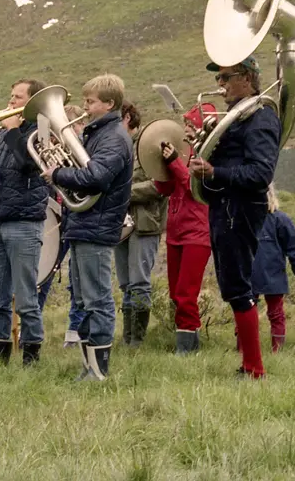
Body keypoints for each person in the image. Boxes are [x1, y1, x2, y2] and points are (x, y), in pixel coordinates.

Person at [189, 56, 280, 379]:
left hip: (239, 207)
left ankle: (255, 367)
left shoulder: (261, 117)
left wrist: (214, 170)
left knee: (238, 285)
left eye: (226, 78)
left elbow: (260, 173)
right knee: (233, 283)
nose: (220, 85)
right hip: (225, 205)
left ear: (247, 77)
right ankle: (248, 363)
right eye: (219, 79)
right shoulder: (239, 116)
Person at [46, 74, 132, 381]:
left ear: (109, 104)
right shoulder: (97, 134)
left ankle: (98, 371)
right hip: (84, 223)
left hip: (97, 225)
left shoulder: (113, 138)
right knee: (83, 299)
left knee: (97, 299)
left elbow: (96, 177)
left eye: (91, 102)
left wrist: (58, 174)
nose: (85, 106)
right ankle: (89, 368)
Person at [0, 78, 50, 366]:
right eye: (10, 96)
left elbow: (28, 163)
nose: (10, 103)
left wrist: (13, 131)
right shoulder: (4, 134)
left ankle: (31, 360)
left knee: (26, 299)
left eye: (17, 98)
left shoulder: (42, 133)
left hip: (24, 224)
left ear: (31, 103)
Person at [152, 103, 216, 354]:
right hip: (176, 232)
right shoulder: (184, 152)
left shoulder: (209, 155)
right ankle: (187, 342)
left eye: (191, 125)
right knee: (176, 293)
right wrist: (161, 166)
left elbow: (194, 188)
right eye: (186, 124)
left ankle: (187, 349)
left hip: (197, 232)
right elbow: (165, 189)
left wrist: (175, 164)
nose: (186, 129)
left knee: (186, 294)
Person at [115, 102, 169, 348]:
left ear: (127, 118)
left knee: (138, 282)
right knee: (126, 283)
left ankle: (137, 341)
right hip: (119, 223)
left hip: (145, 222)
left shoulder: (148, 144)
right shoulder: (114, 146)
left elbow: (159, 185)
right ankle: (128, 340)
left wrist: (122, 193)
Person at [43, 104, 87, 348]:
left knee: (77, 277)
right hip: (56, 218)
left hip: (76, 216)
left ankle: (75, 330)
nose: (79, 130)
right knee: (45, 272)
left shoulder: (81, 151)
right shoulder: (52, 149)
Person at [253, 184, 295, 352]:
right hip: (273, 273)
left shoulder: (244, 218)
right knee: (276, 314)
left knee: (246, 310)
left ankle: (244, 350)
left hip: (249, 273)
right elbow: (294, 248)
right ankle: (277, 351)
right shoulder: (281, 219)